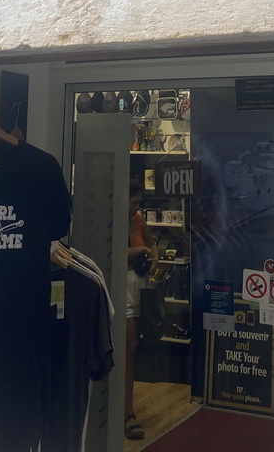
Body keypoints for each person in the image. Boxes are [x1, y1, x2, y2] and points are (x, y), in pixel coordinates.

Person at [124, 179, 159, 441]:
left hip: (138, 283)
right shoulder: (112, 219)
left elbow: (152, 242)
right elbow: (109, 250)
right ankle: (126, 411)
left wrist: (153, 255)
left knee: (131, 348)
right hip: (121, 284)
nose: (137, 207)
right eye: (134, 202)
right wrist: (138, 251)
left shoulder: (137, 220)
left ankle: (126, 409)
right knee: (128, 346)